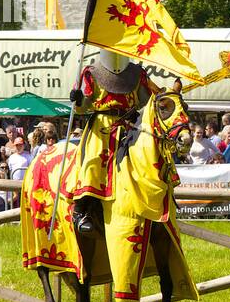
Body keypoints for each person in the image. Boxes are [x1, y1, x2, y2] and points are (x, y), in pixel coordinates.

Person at [67, 49, 160, 235]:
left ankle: (154, 206)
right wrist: (77, 100)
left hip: (129, 127)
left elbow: (150, 102)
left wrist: (142, 111)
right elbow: (82, 108)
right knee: (93, 162)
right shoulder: (91, 73)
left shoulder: (137, 74)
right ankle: (82, 211)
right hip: (101, 128)